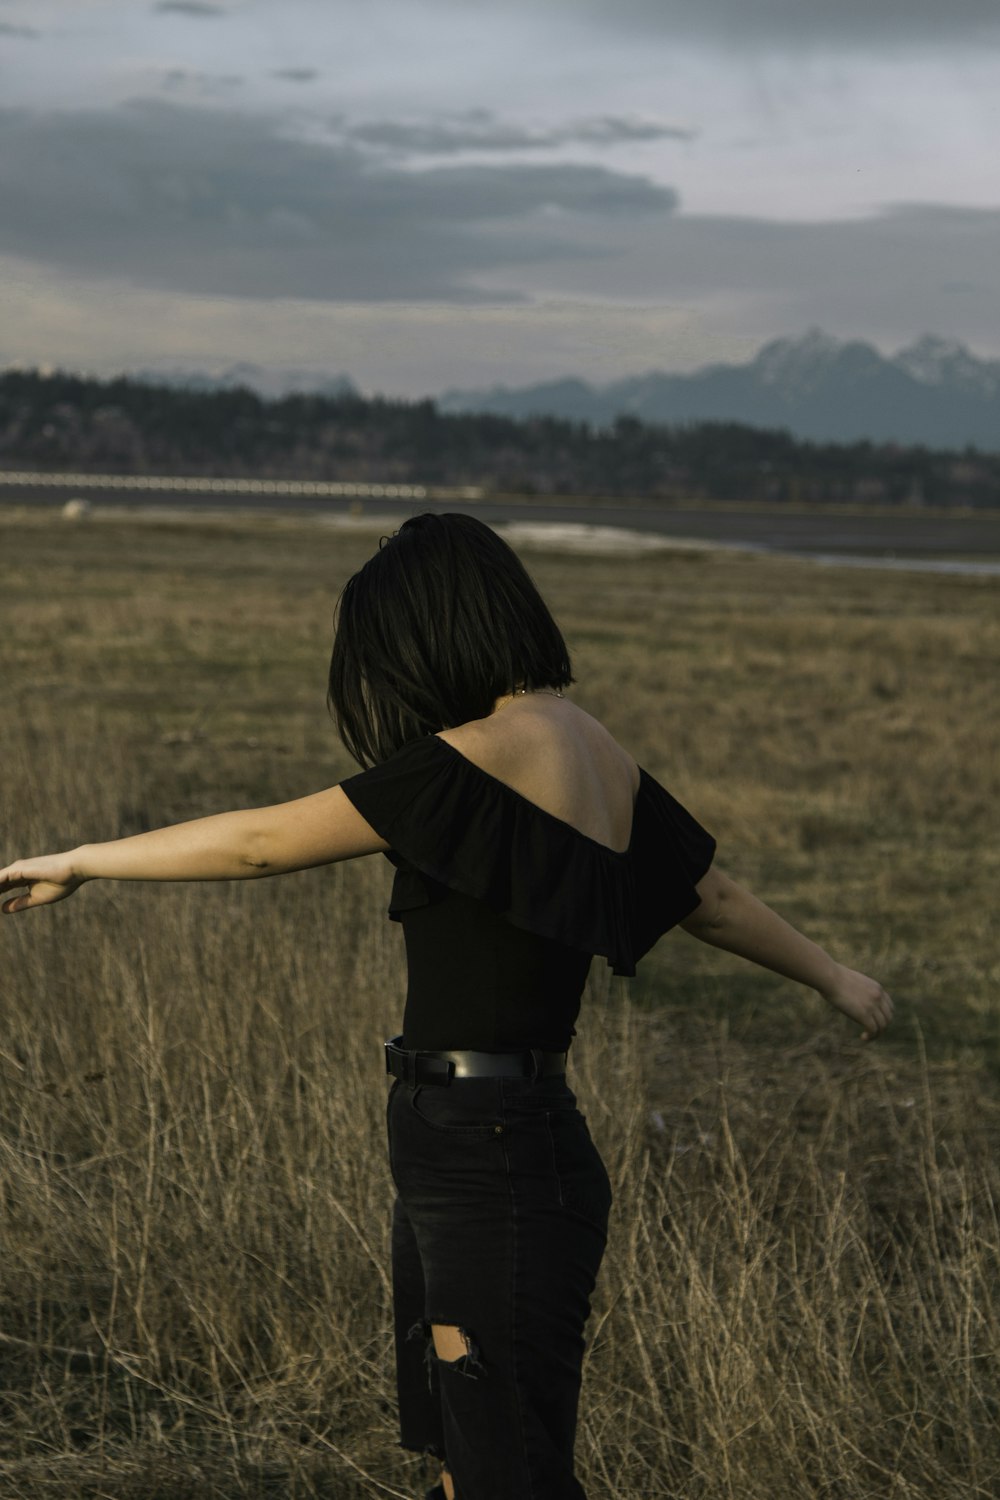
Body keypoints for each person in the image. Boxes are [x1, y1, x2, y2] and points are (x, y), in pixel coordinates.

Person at [0, 512, 892, 1500]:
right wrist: (833, 976)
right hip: (486, 1136)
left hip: (487, 1151)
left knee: (498, 1461)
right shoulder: (597, 750)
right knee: (472, 1454)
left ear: (433, 632)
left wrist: (82, 861)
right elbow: (708, 901)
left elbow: (258, 843)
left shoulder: (482, 752)